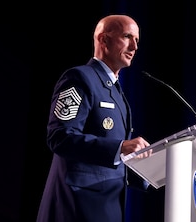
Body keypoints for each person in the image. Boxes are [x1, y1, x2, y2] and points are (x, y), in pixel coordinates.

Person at [36, 14, 151, 222]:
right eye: (127, 37)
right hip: (76, 207)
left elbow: (114, 159)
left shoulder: (117, 93)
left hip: (108, 208)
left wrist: (154, 170)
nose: (134, 46)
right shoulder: (79, 78)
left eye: (137, 40)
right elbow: (59, 137)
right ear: (103, 39)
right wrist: (120, 147)